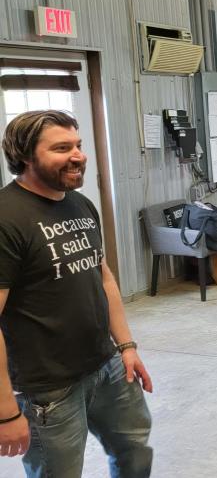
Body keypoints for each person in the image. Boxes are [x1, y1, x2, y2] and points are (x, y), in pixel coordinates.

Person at [0, 110, 153, 477]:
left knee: (135, 452)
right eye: (62, 147)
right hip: (49, 389)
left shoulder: (79, 203)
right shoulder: (7, 219)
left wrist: (126, 346)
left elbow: (104, 280)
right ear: (25, 155)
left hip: (107, 366)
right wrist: (6, 410)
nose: (78, 155)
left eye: (79, 145)